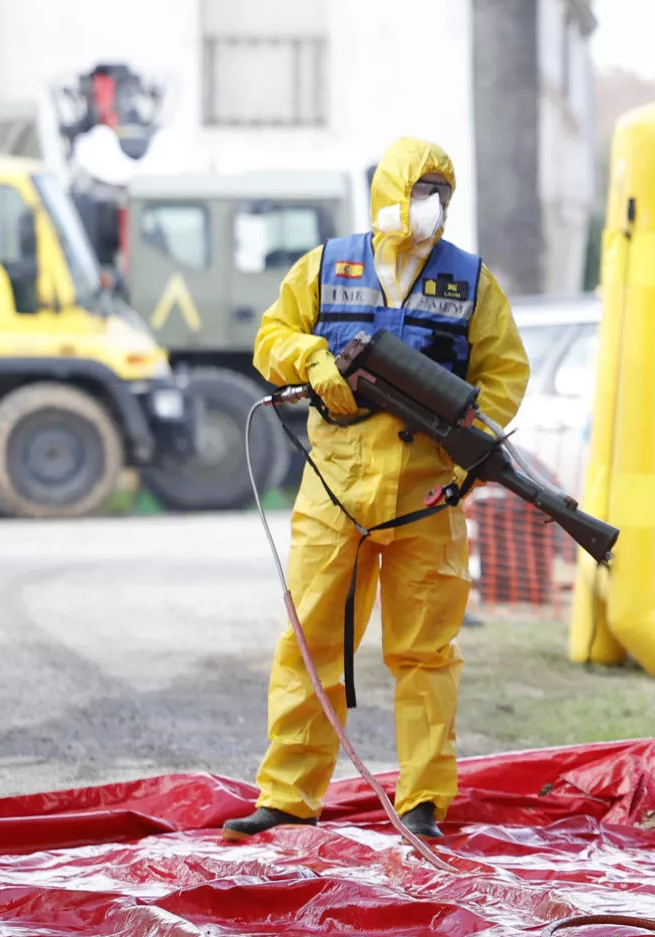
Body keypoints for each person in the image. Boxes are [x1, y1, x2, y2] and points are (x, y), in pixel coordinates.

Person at [223, 137, 529, 841]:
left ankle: (422, 802)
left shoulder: (470, 282)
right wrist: (312, 357)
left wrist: (465, 456)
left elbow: (504, 375)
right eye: (423, 191)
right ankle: (289, 796)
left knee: (426, 655)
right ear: (392, 190)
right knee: (311, 644)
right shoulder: (327, 266)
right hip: (335, 493)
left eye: (443, 194)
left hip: (428, 498)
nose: (434, 207)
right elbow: (272, 338)